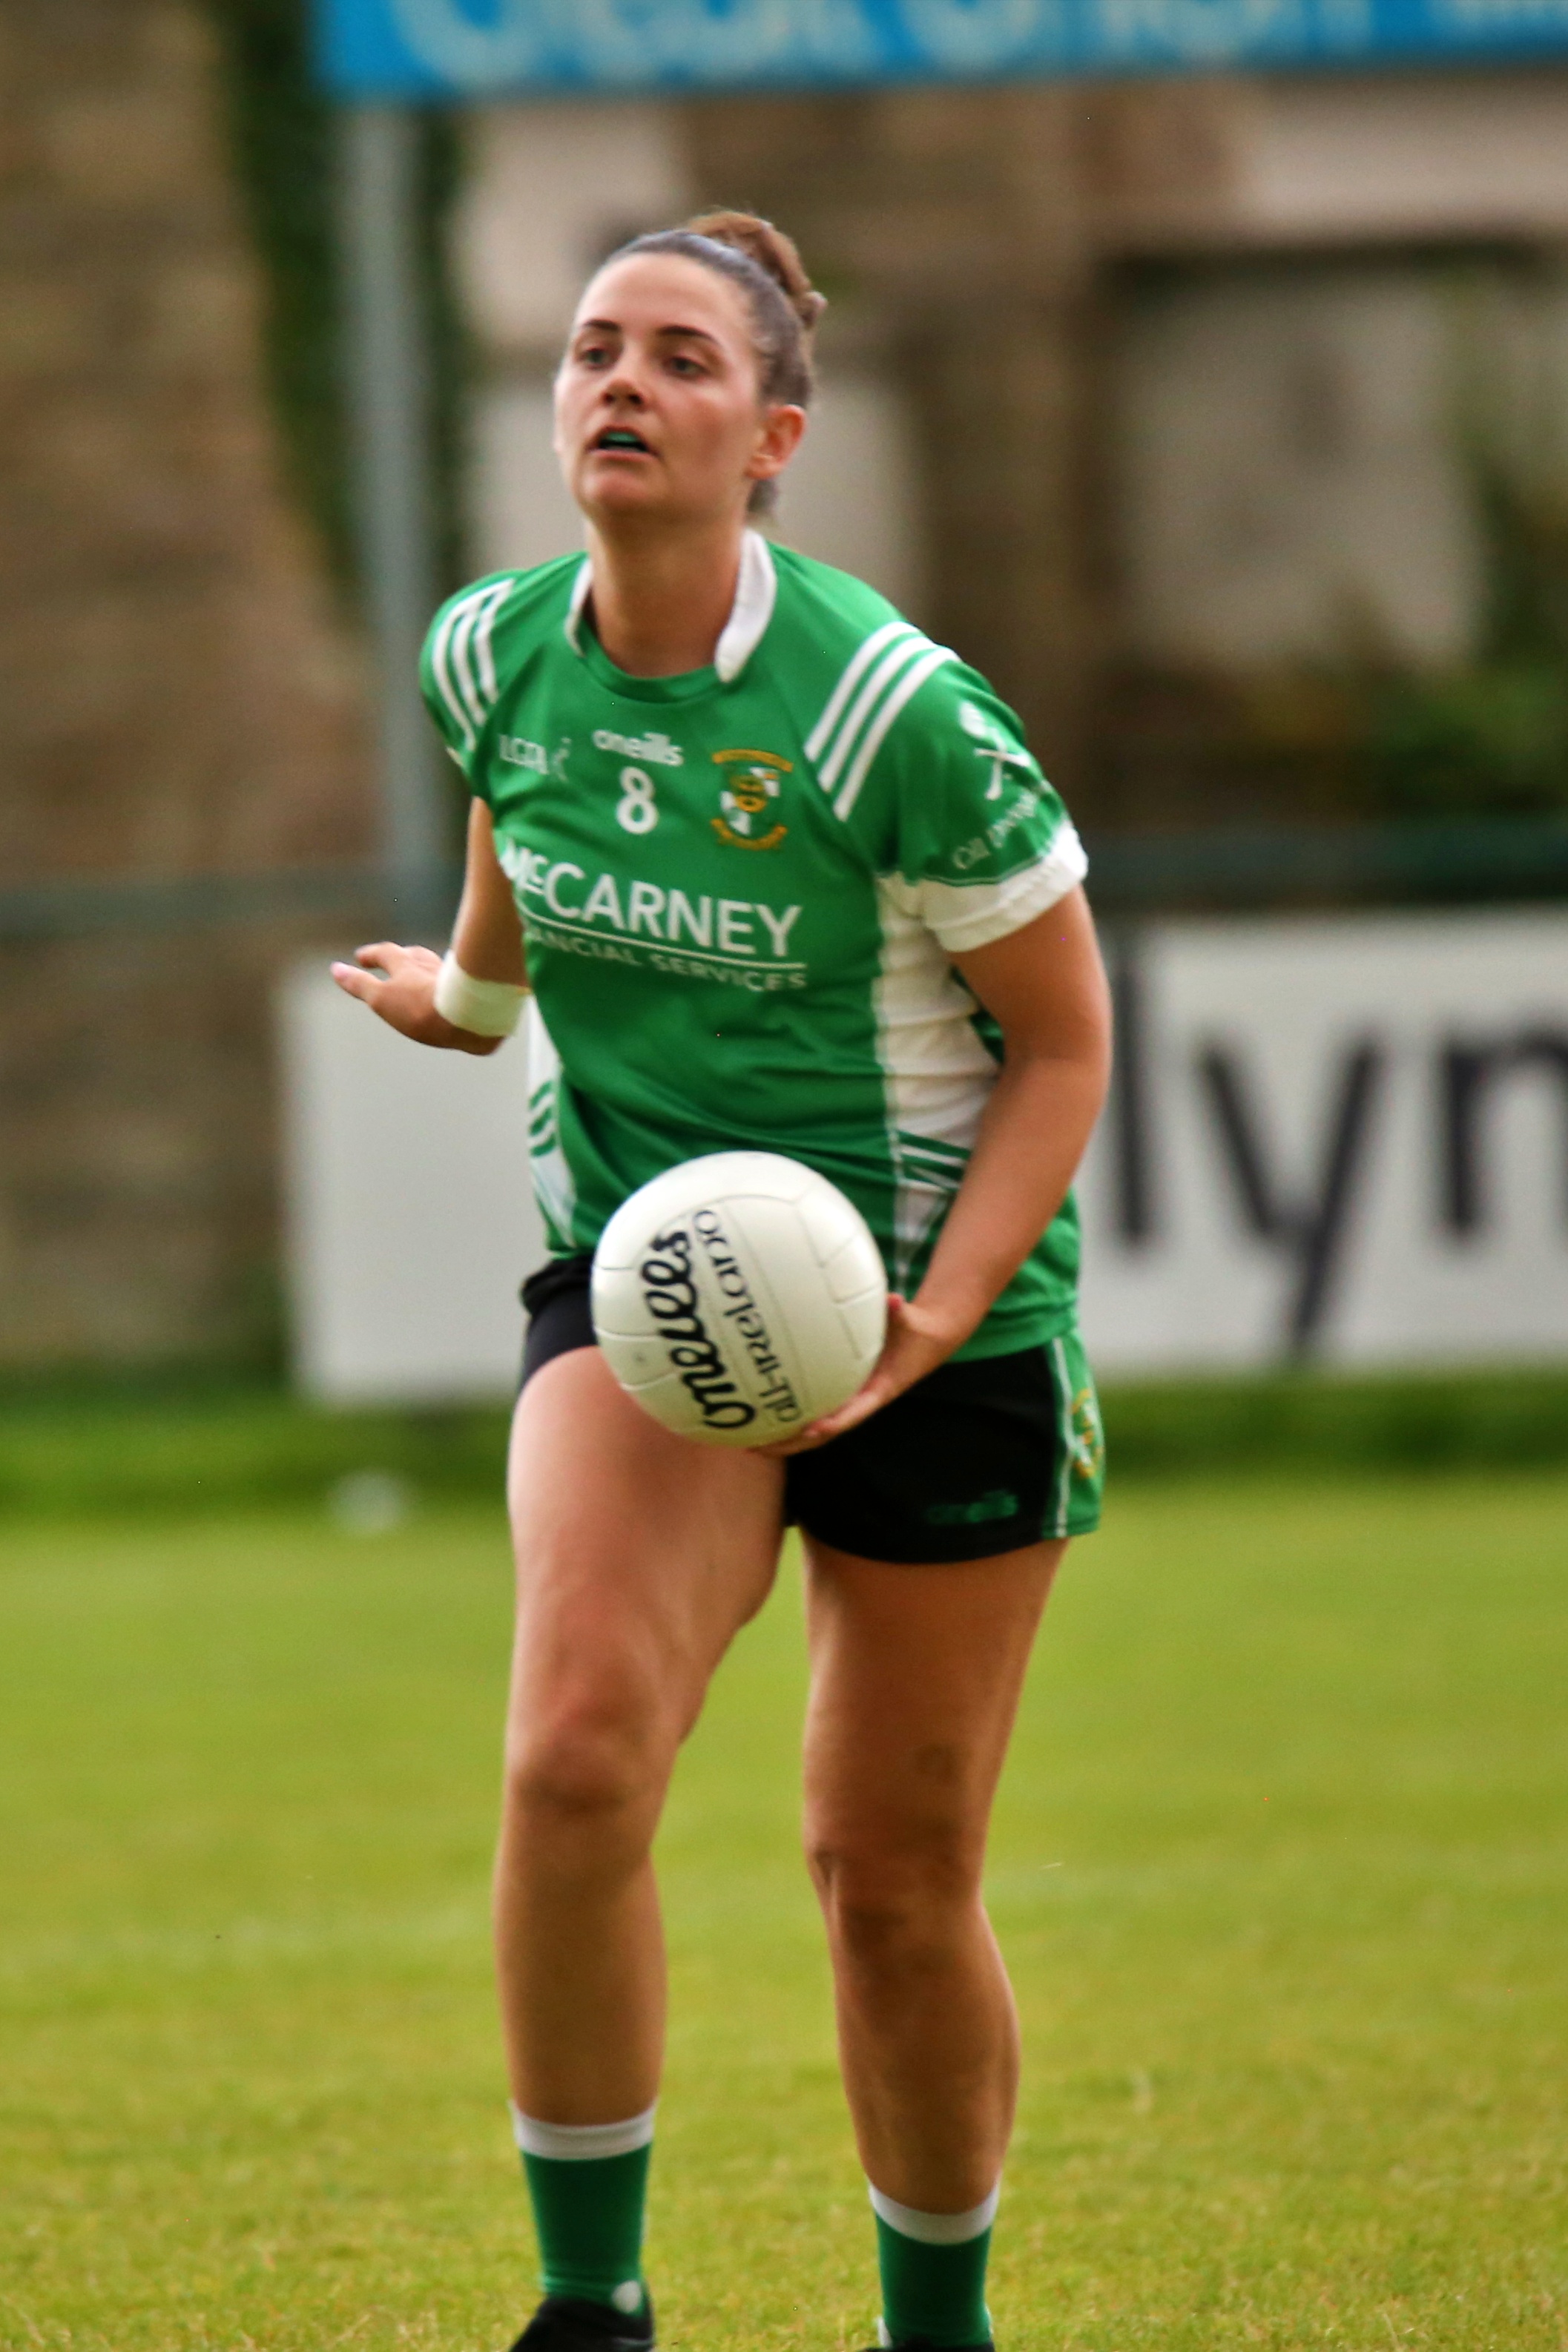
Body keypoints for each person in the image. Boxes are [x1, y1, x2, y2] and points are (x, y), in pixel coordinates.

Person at [332, 211, 1112, 2352]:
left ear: (771, 439)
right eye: (595, 347)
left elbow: (1064, 1046)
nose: (621, 382)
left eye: (681, 359)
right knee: (576, 1759)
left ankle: (935, 2333)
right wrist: (470, 1002)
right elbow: (518, 842)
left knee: (890, 1883)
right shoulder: (490, 651)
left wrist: (929, 1320)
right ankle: (591, 2309)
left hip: (942, 1314)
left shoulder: (887, 712)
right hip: (650, 1271)